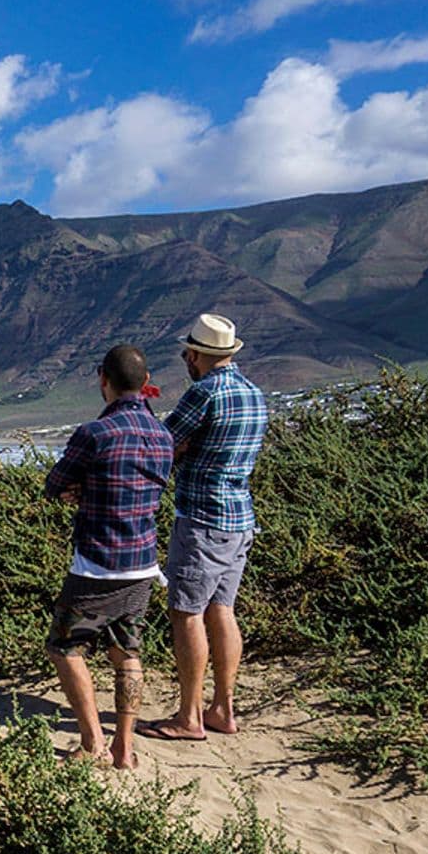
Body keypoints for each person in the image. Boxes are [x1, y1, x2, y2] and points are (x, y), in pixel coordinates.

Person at [43, 344, 174, 770]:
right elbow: (139, 486)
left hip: (99, 562)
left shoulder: (95, 434)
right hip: (143, 560)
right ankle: (125, 747)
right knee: (127, 651)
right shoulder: (163, 435)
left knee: (64, 646)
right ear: (145, 381)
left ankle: (92, 743)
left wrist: (78, 491)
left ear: (104, 380)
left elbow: (55, 483)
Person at [143, 313, 268, 741]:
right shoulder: (254, 394)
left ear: (197, 355)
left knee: (187, 612)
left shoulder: (204, 394)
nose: (185, 359)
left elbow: (162, 443)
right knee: (222, 610)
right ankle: (222, 708)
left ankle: (188, 716)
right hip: (239, 517)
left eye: (187, 353)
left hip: (201, 517)